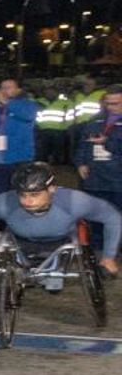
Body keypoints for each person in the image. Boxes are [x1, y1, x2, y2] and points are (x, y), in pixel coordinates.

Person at [0, 162, 122, 277]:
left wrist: (109, 257)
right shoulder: (5, 203)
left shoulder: (74, 201)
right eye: (23, 194)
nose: (27, 201)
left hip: (62, 241)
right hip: (20, 241)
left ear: (52, 189)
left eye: (35, 195)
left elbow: (112, 216)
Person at [74, 85, 122, 254]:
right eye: (107, 103)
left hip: (118, 179)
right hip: (95, 177)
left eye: (115, 103)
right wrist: (80, 163)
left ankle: (114, 249)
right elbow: (82, 144)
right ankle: (96, 250)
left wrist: (106, 143)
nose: (111, 107)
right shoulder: (95, 120)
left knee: (117, 216)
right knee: (94, 215)